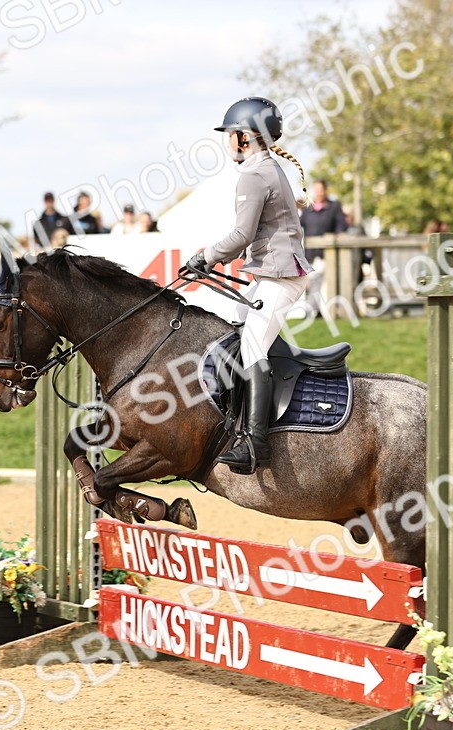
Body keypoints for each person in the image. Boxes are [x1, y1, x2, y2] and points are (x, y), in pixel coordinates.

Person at [183, 96, 311, 475]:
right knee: (238, 334)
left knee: (253, 347)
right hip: (271, 274)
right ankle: (234, 423)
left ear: (245, 137)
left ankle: (256, 444)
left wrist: (204, 256)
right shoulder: (266, 168)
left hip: (281, 278)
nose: (228, 143)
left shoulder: (254, 175)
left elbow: (241, 234)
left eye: (231, 135)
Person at [299, 179, 347, 263]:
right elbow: (299, 226)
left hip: (328, 254)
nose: (318, 193)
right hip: (310, 254)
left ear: (325, 190)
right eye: (316, 190)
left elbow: (341, 225)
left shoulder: (334, 207)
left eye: (320, 190)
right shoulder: (307, 209)